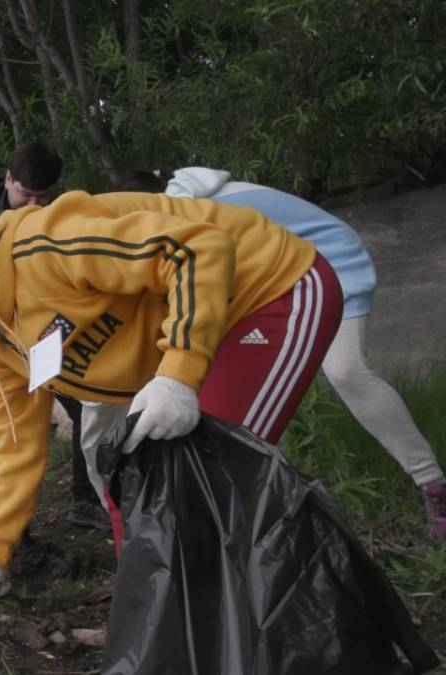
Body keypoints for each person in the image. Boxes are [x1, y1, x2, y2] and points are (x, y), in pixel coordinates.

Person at [0, 185, 343, 619]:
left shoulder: (44, 247)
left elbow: (196, 248)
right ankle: (162, 622)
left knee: (212, 488)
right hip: (209, 329)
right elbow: (16, 448)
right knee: (132, 488)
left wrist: (178, 375)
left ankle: (299, 620)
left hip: (271, 290)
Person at [117, 167, 446, 539]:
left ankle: (433, 486)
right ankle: (276, 498)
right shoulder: (185, 205)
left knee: (346, 372)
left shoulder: (182, 210)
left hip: (330, 259)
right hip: (284, 276)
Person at [0, 142, 109, 531]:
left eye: (42, 197)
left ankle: (84, 500)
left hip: (48, 331)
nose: (32, 205)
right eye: (24, 194)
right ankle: (13, 526)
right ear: (7, 179)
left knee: (84, 411)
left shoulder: (58, 216)